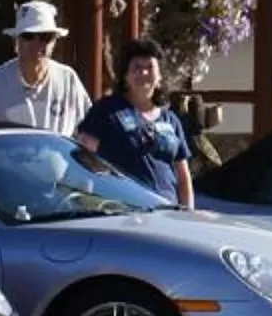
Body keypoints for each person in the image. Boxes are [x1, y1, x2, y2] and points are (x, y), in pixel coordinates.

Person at [77, 35, 197, 207]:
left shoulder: (170, 119)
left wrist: (188, 211)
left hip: (168, 209)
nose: (143, 73)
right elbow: (84, 160)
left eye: (150, 67)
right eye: (137, 67)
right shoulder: (106, 111)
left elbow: (183, 174)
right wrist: (84, 205)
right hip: (123, 210)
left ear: (160, 76)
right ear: (125, 75)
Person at [0, 0, 91, 135]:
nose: (36, 44)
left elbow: (89, 130)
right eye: (28, 36)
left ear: (55, 42)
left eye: (45, 37)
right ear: (16, 41)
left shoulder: (68, 79)